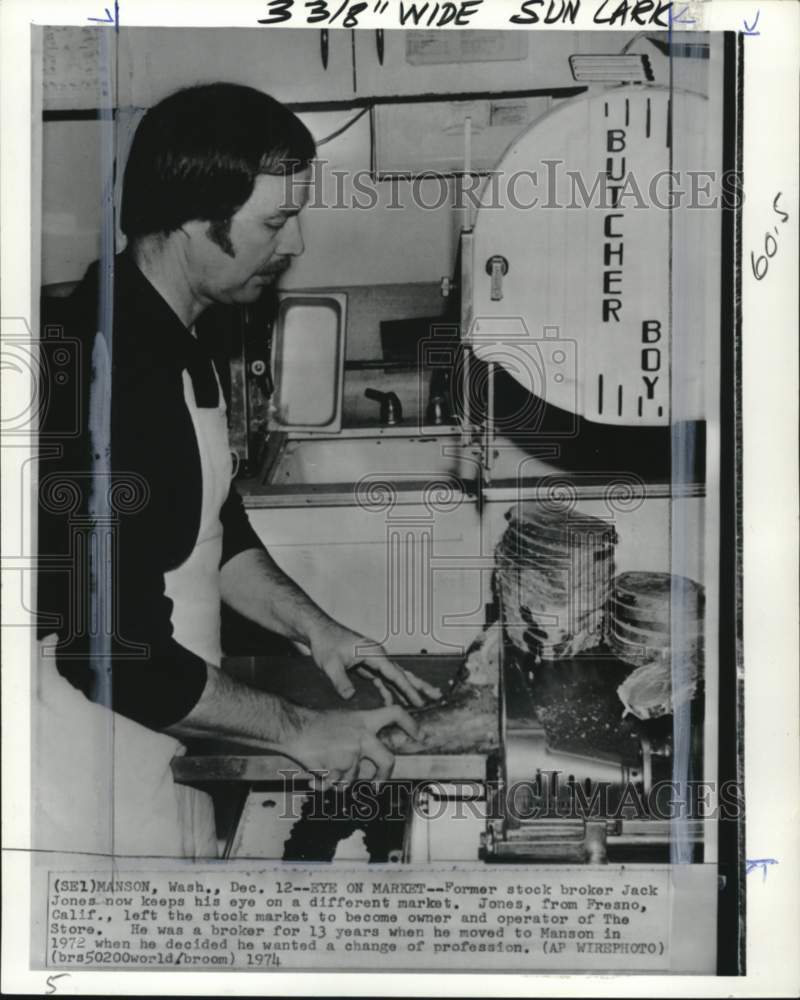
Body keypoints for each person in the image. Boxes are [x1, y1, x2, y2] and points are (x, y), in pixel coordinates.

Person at [35, 83, 437, 855]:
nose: (295, 245)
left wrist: (316, 628)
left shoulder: (182, 331)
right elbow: (109, 648)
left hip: (165, 727)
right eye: (276, 221)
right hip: (79, 760)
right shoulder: (102, 371)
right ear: (193, 221)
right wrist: (300, 730)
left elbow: (204, 522)